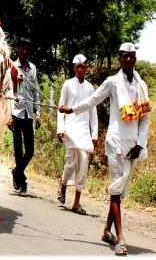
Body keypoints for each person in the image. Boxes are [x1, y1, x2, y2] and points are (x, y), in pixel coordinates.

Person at [59, 42, 151, 256]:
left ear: (135, 58)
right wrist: (72, 109)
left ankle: (105, 231)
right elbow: (92, 100)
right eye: (124, 56)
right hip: (115, 143)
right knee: (116, 191)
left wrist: (140, 143)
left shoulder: (141, 85)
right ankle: (120, 239)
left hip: (133, 147)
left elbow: (144, 118)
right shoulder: (112, 83)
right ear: (119, 59)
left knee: (120, 192)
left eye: (132, 56)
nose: (128, 60)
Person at [56, 54, 98, 215]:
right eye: (78, 66)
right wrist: (60, 128)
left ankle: (77, 202)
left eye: (83, 66)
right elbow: (61, 108)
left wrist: (94, 134)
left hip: (84, 130)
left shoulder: (90, 87)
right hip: (70, 128)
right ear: (74, 68)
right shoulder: (67, 85)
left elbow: (93, 111)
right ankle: (64, 183)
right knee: (71, 163)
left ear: (86, 67)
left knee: (84, 162)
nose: (81, 69)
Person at [10, 37, 40, 197]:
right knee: (18, 149)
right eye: (22, 48)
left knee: (30, 150)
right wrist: (16, 80)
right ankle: (22, 183)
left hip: (28, 113)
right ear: (18, 50)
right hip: (15, 112)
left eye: (27, 49)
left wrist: (38, 114)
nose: (24, 52)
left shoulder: (33, 69)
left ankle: (16, 171)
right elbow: (9, 90)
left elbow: (36, 92)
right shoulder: (12, 67)